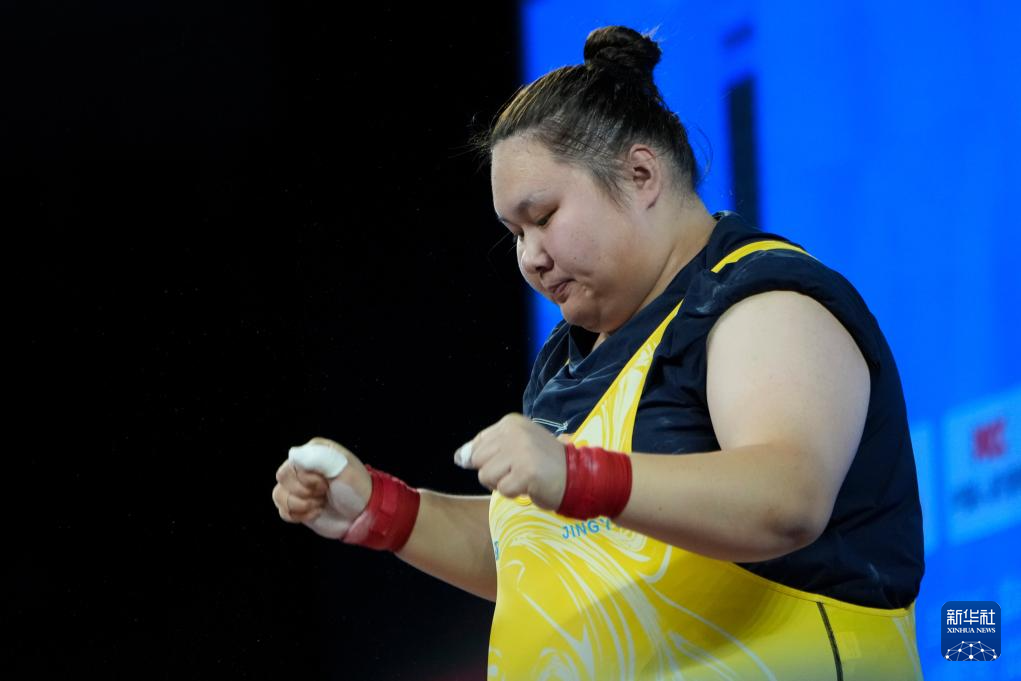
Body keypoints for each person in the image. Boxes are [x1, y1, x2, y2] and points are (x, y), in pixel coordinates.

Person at [271, 25, 925, 680]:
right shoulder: (568, 357)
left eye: (543, 217)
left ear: (640, 174)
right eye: (514, 233)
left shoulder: (760, 300)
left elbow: (786, 499)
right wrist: (382, 510)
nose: (530, 257)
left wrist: (576, 474)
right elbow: (550, 558)